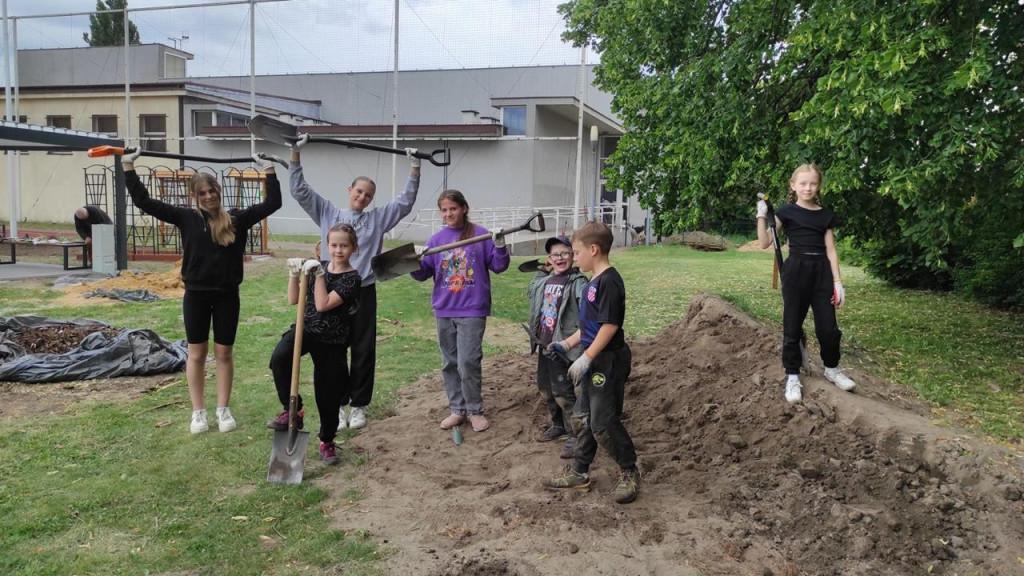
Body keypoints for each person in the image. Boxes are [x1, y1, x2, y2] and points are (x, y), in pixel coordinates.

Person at [122, 149, 283, 434]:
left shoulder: (236, 220)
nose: (208, 196)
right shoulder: (187, 218)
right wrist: (128, 166)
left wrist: (268, 168)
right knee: (196, 354)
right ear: (195, 196)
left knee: (224, 353)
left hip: (227, 296)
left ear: (218, 191)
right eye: (202, 193)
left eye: (212, 191)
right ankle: (198, 412)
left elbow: (273, 202)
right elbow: (144, 202)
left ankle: (223, 409)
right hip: (195, 295)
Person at [289, 135, 422, 431]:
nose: (362, 198)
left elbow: (404, 202)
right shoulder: (328, 212)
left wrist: (414, 169)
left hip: (361, 291)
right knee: (331, 351)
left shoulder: (377, 219)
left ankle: (358, 405)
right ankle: (336, 404)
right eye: (358, 191)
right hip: (328, 287)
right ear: (350, 190)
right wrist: (295, 153)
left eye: (368, 195)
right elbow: (299, 190)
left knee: (363, 349)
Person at [542, 221, 640, 504]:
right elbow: (589, 327)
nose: (573, 256)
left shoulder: (609, 281)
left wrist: (586, 357)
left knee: (602, 423)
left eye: (576, 251)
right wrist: (566, 344)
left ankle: (630, 470)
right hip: (595, 360)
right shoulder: (593, 282)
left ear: (593, 249)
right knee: (582, 419)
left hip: (607, 362)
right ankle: (579, 473)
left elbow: (609, 326)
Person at [410, 189, 510, 432]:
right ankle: (458, 409)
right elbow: (422, 274)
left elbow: (499, 266)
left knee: (468, 362)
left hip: (472, 309)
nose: (448, 214)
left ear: (464, 208)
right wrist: (413, 260)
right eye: (444, 210)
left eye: (452, 209)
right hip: (444, 309)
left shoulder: (480, 235)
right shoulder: (436, 240)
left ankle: (475, 410)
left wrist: (499, 245)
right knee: (450, 363)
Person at [756, 163, 856, 403]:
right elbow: (764, 243)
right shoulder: (786, 212)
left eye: (812, 183)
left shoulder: (825, 215)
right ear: (793, 185)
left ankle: (832, 369)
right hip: (796, 271)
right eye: (803, 183)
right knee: (792, 328)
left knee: (829, 329)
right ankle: (792, 376)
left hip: (821, 271)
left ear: (818, 186)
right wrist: (761, 216)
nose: (808, 188)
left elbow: (831, 250)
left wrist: (838, 281)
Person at [266, 223, 361, 465]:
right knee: (280, 358)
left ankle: (327, 440)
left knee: (328, 393)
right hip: (306, 330)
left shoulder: (352, 278)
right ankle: (293, 410)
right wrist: (295, 274)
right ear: (326, 246)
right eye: (333, 245)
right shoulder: (316, 267)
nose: (338, 250)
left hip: (332, 340)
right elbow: (293, 299)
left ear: (353, 248)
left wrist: (318, 275)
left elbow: (322, 303)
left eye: (343, 245)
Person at [525, 235, 587, 460]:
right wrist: (542, 269)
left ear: (573, 255)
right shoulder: (545, 281)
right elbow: (531, 290)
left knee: (563, 392)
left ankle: (574, 435)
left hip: (562, 347)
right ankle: (558, 424)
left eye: (564, 253)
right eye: (555, 255)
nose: (560, 258)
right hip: (544, 344)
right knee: (546, 389)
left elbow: (586, 308)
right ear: (549, 259)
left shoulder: (578, 282)